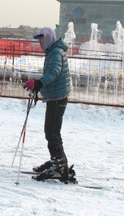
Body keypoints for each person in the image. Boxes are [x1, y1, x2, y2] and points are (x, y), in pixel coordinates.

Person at [23, 27, 75, 182]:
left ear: (49, 38)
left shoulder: (56, 52)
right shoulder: (52, 51)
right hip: (54, 96)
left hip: (57, 98)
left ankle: (59, 166)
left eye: (42, 38)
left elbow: (54, 72)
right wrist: (37, 85)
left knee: (52, 132)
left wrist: (39, 83)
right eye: (39, 39)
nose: (40, 42)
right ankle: (57, 162)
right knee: (51, 131)